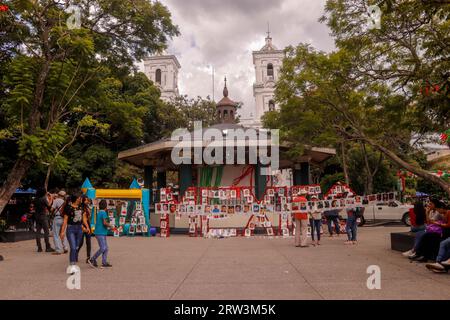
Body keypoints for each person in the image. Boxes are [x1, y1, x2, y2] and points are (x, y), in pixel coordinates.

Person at [60, 194, 89, 266]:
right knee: (73, 247)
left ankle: (73, 260)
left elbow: (84, 219)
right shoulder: (68, 208)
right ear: (76, 199)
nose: (80, 199)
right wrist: (62, 232)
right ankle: (72, 265)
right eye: (79, 198)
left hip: (80, 229)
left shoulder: (81, 207)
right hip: (71, 229)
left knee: (76, 247)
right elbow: (65, 220)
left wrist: (87, 227)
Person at [88, 200, 113, 268]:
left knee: (106, 248)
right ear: (105, 206)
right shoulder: (104, 213)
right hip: (100, 233)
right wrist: (111, 226)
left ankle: (104, 262)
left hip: (101, 232)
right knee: (103, 248)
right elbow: (105, 223)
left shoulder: (100, 212)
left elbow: (102, 223)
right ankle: (92, 259)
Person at [34, 188, 55, 253]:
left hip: (37, 217)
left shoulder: (35, 199)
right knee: (46, 232)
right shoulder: (43, 199)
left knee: (38, 232)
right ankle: (47, 247)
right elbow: (49, 207)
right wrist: (51, 198)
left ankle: (39, 248)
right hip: (43, 216)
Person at [51, 190, 69, 255]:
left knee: (56, 234)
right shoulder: (65, 202)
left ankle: (58, 250)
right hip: (64, 219)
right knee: (63, 233)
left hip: (57, 218)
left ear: (58, 194)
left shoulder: (56, 200)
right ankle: (65, 247)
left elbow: (51, 209)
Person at [77, 195, 92, 263]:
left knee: (88, 242)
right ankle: (75, 254)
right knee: (81, 242)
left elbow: (89, 217)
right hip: (82, 225)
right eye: (86, 200)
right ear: (82, 200)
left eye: (87, 200)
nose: (87, 201)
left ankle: (88, 257)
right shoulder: (80, 208)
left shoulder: (87, 207)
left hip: (87, 224)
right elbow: (82, 218)